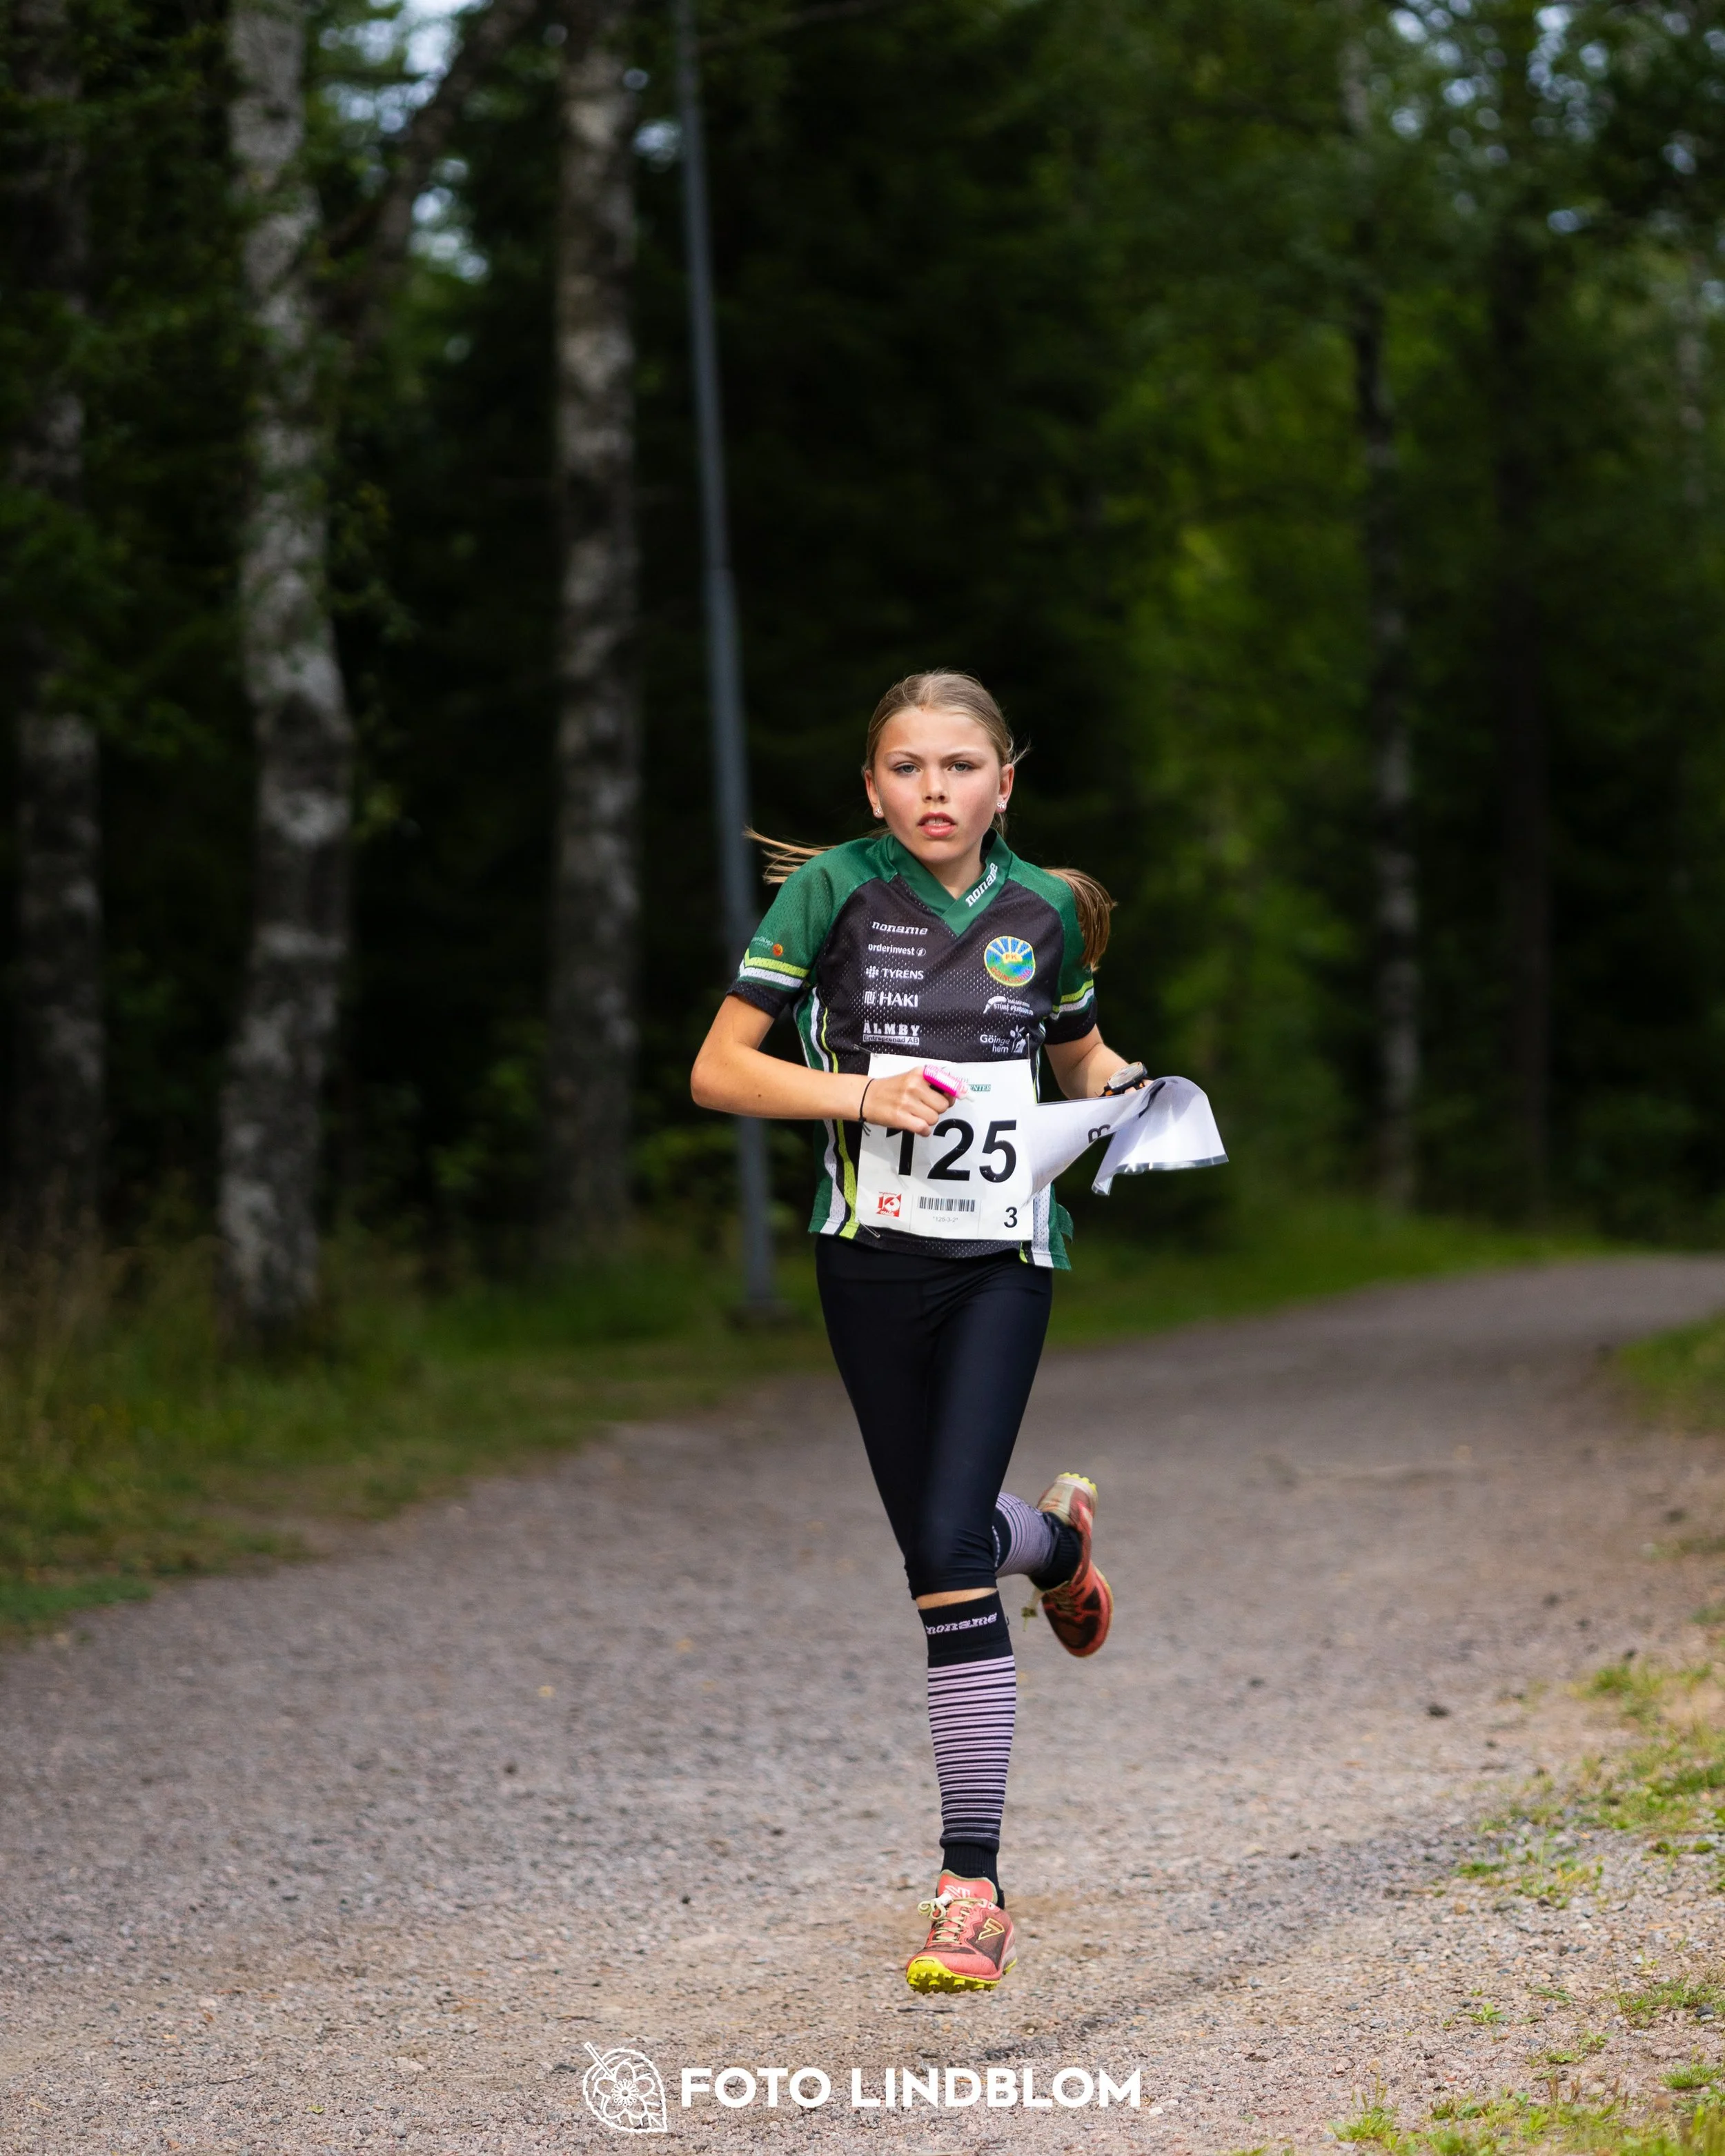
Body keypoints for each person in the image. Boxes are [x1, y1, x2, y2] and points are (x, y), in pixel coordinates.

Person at [691, 670, 1145, 1995]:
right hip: (869, 1262)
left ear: (1006, 784)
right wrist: (859, 1093)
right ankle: (1054, 1543)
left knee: (943, 1558)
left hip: (1003, 1259)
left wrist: (1140, 1093)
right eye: (907, 768)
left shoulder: (1048, 910)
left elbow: (1078, 1058)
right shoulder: (830, 891)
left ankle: (972, 1885)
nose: (933, 791)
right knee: (941, 1540)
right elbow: (720, 1070)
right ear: (873, 787)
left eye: (960, 768)